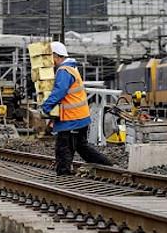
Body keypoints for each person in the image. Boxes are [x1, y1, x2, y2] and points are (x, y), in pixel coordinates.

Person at [40, 41, 113, 175]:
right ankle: (109, 167)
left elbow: (59, 92)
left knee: (63, 147)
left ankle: (64, 175)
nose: (48, 61)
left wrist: (46, 107)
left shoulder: (63, 71)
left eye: (49, 56)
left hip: (71, 118)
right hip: (80, 116)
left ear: (56, 55)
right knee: (81, 146)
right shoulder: (71, 68)